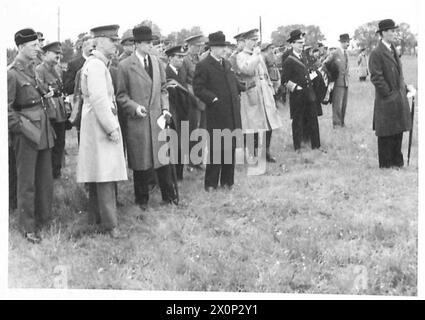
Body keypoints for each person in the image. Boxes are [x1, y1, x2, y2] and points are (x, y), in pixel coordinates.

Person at [116, 25, 178, 210]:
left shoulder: (158, 62)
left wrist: (165, 109)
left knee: (163, 159)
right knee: (140, 161)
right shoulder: (125, 66)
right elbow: (121, 95)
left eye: (152, 42)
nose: (151, 46)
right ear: (137, 44)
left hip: (158, 119)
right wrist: (134, 108)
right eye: (147, 43)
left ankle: (169, 197)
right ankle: (141, 201)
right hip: (139, 121)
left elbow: (163, 89)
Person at [76, 25, 128, 238]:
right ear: (100, 41)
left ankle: (96, 219)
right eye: (112, 40)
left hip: (95, 124)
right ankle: (110, 225)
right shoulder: (97, 66)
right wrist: (111, 128)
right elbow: (99, 100)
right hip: (100, 126)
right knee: (105, 175)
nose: (116, 45)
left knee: (99, 173)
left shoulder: (97, 64)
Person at [8, 28, 56, 243]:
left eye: (38, 44)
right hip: (26, 131)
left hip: (42, 128)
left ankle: (44, 218)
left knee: (44, 177)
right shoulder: (11, 73)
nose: (38, 48)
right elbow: (6, 109)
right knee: (26, 180)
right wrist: (21, 127)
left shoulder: (33, 70)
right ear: (20, 47)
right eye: (33, 45)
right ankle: (28, 226)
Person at [193, 31, 242, 191]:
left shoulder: (227, 64)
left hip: (231, 112)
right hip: (216, 113)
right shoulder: (203, 65)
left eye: (224, 46)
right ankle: (211, 184)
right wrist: (212, 99)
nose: (223, 49)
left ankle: (228, 182)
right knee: (217, 149)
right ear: (212, 48)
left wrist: (243, 87)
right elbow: (198, 88)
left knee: (230, 147)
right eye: (220, 46)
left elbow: (233, 83)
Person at [369, 19, 413, 168]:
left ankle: (397, 162)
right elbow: (376, 77)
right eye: (390, 31)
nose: (393, 33)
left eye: (394, 31)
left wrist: (405, 87)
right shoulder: (376, 52)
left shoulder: (393, 49)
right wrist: (388, 94)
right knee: (386, 133)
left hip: (398, 97)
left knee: (397, 130)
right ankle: (386, 164)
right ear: (382, 33)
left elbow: (397, 75)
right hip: (386, 100)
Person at [237, 29, 282, 162]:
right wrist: (255, 56)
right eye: (251, 40)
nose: (254, 43)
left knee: (269, 123)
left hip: (265, 92)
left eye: (256, 40)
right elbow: (247, 70)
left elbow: (265, 72)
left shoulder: (259, 55)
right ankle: (251, 153)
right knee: (252, 125)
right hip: (252, 93)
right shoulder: (242, 56)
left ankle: (265, 151)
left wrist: (271, 87)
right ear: (245, 41)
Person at [281, 29, 321, 152]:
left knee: (313, 120)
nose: (301, 45)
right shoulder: (289, 60)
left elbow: (309, 72)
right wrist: (295, 88)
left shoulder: (305, 57)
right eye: (298, 43)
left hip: (309, 93)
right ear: (292, 44)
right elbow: (285, 80)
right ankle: (297, 147)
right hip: (298, 96)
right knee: (297, 121)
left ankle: (316, 146)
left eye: (302, 42)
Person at [36, 42, 68, 179]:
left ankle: (57, 171)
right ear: (46, 54)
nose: (58, 56)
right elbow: (41, 89)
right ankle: (49, 172)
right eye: (56, 53)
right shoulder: (39, 69)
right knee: (51, 142)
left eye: (59, 53)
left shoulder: (58, 69)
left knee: (60, 141)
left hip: (59, 109)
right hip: (49, 110)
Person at [164, 45, 192, 180]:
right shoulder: (165, 73)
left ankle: (179, 175)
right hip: (173, 113)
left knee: (181, 144)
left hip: (183, 112)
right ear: (170, 58)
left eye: (182, 57)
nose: (181, 60)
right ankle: (173, 175)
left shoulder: (181, 72)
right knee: (173, 145)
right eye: (178, 57)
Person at [179, 34, 207, 171]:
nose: (198, 49)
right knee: (192, 131)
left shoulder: (200, 59)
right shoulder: (185, 61)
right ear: (189, 46)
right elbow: (183, 82)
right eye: (196, 46)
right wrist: (194, 97)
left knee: (202, 130)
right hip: (192, 101)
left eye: (200, 46)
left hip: (203, 99)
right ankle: (190, 161)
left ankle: (198, 160)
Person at [324, 34, 351, 127]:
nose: (348, 44)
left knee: (344, 104)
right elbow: (325, 64)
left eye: (349, 42)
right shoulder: (335, 53)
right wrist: (331, 76)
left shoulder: (347, 53)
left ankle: (342, 122)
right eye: (346, 42)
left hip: (346, 82)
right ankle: (336, 124)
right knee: (337, 104)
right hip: (337, 83)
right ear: (342, 42)